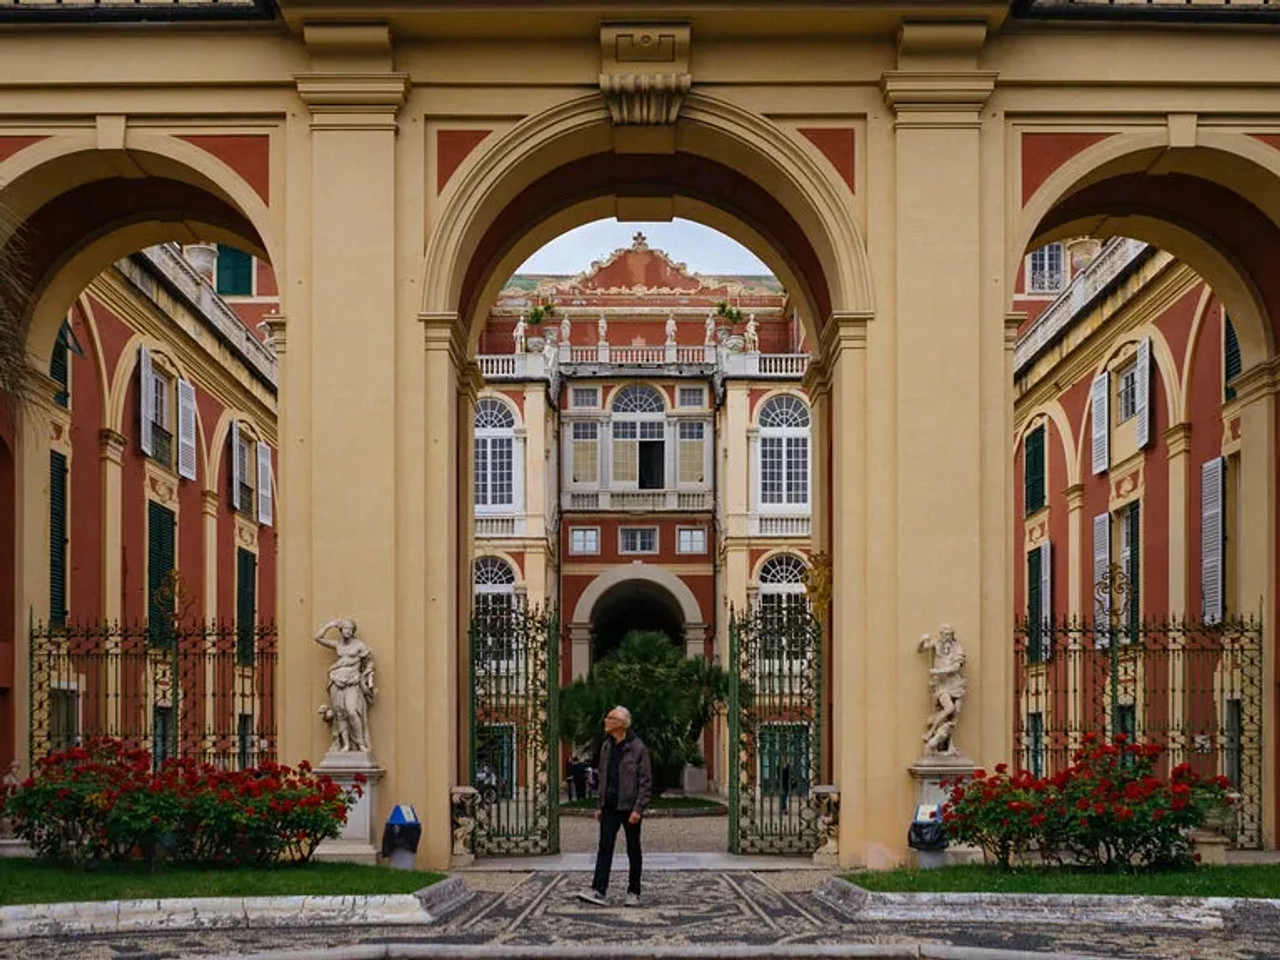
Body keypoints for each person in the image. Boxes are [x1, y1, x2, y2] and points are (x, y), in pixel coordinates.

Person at [577, 705, 652, 907]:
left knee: (633, 850)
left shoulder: (638, 748)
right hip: (610, 806)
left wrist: (638, 809)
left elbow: (645, 782)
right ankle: (599, 890)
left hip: (630, 808)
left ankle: (634, 892)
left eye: (609, 718)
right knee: (604, 848)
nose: (605, 721)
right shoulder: (607, 746)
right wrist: (600, 805)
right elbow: (603, 777)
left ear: (620, 724)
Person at [314, 618, 375, 753]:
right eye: (345, 628)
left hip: (352, 681)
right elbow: (318, 638)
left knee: (352, 711)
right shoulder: (338, 645)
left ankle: (360, 744)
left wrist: (369, 678)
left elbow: (370, 662)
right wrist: (330, 625)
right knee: (340, 713)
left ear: (353, 631)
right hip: (336, 680)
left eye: (350, 629)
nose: (347, 631)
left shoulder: (359, 645)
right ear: (341, 630)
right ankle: (345, 745)